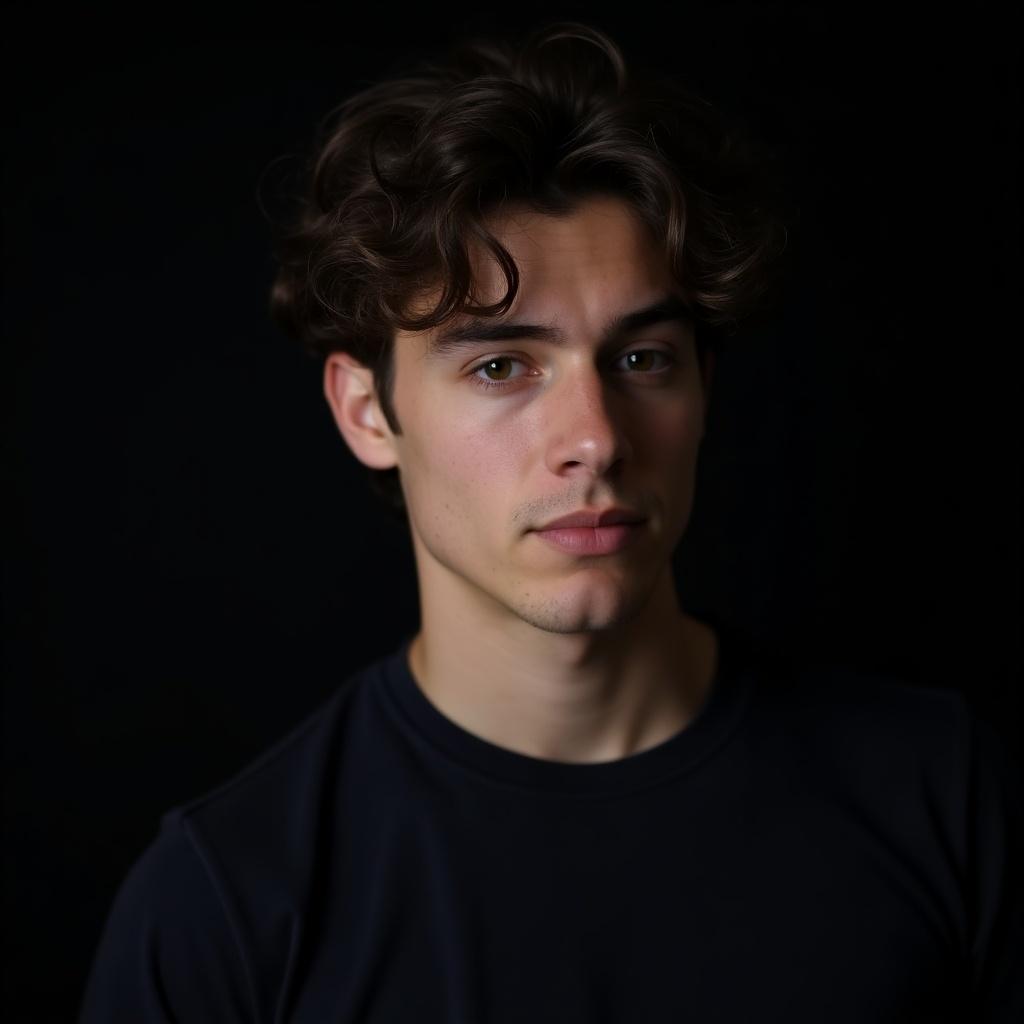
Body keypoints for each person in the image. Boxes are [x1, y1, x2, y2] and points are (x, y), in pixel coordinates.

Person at [79, 22, 1022, 1022]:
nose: (595, 440)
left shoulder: (937, 792)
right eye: (500, 366)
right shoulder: (227, 902)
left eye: (640, 359)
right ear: (366, 411)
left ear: (703, 387)